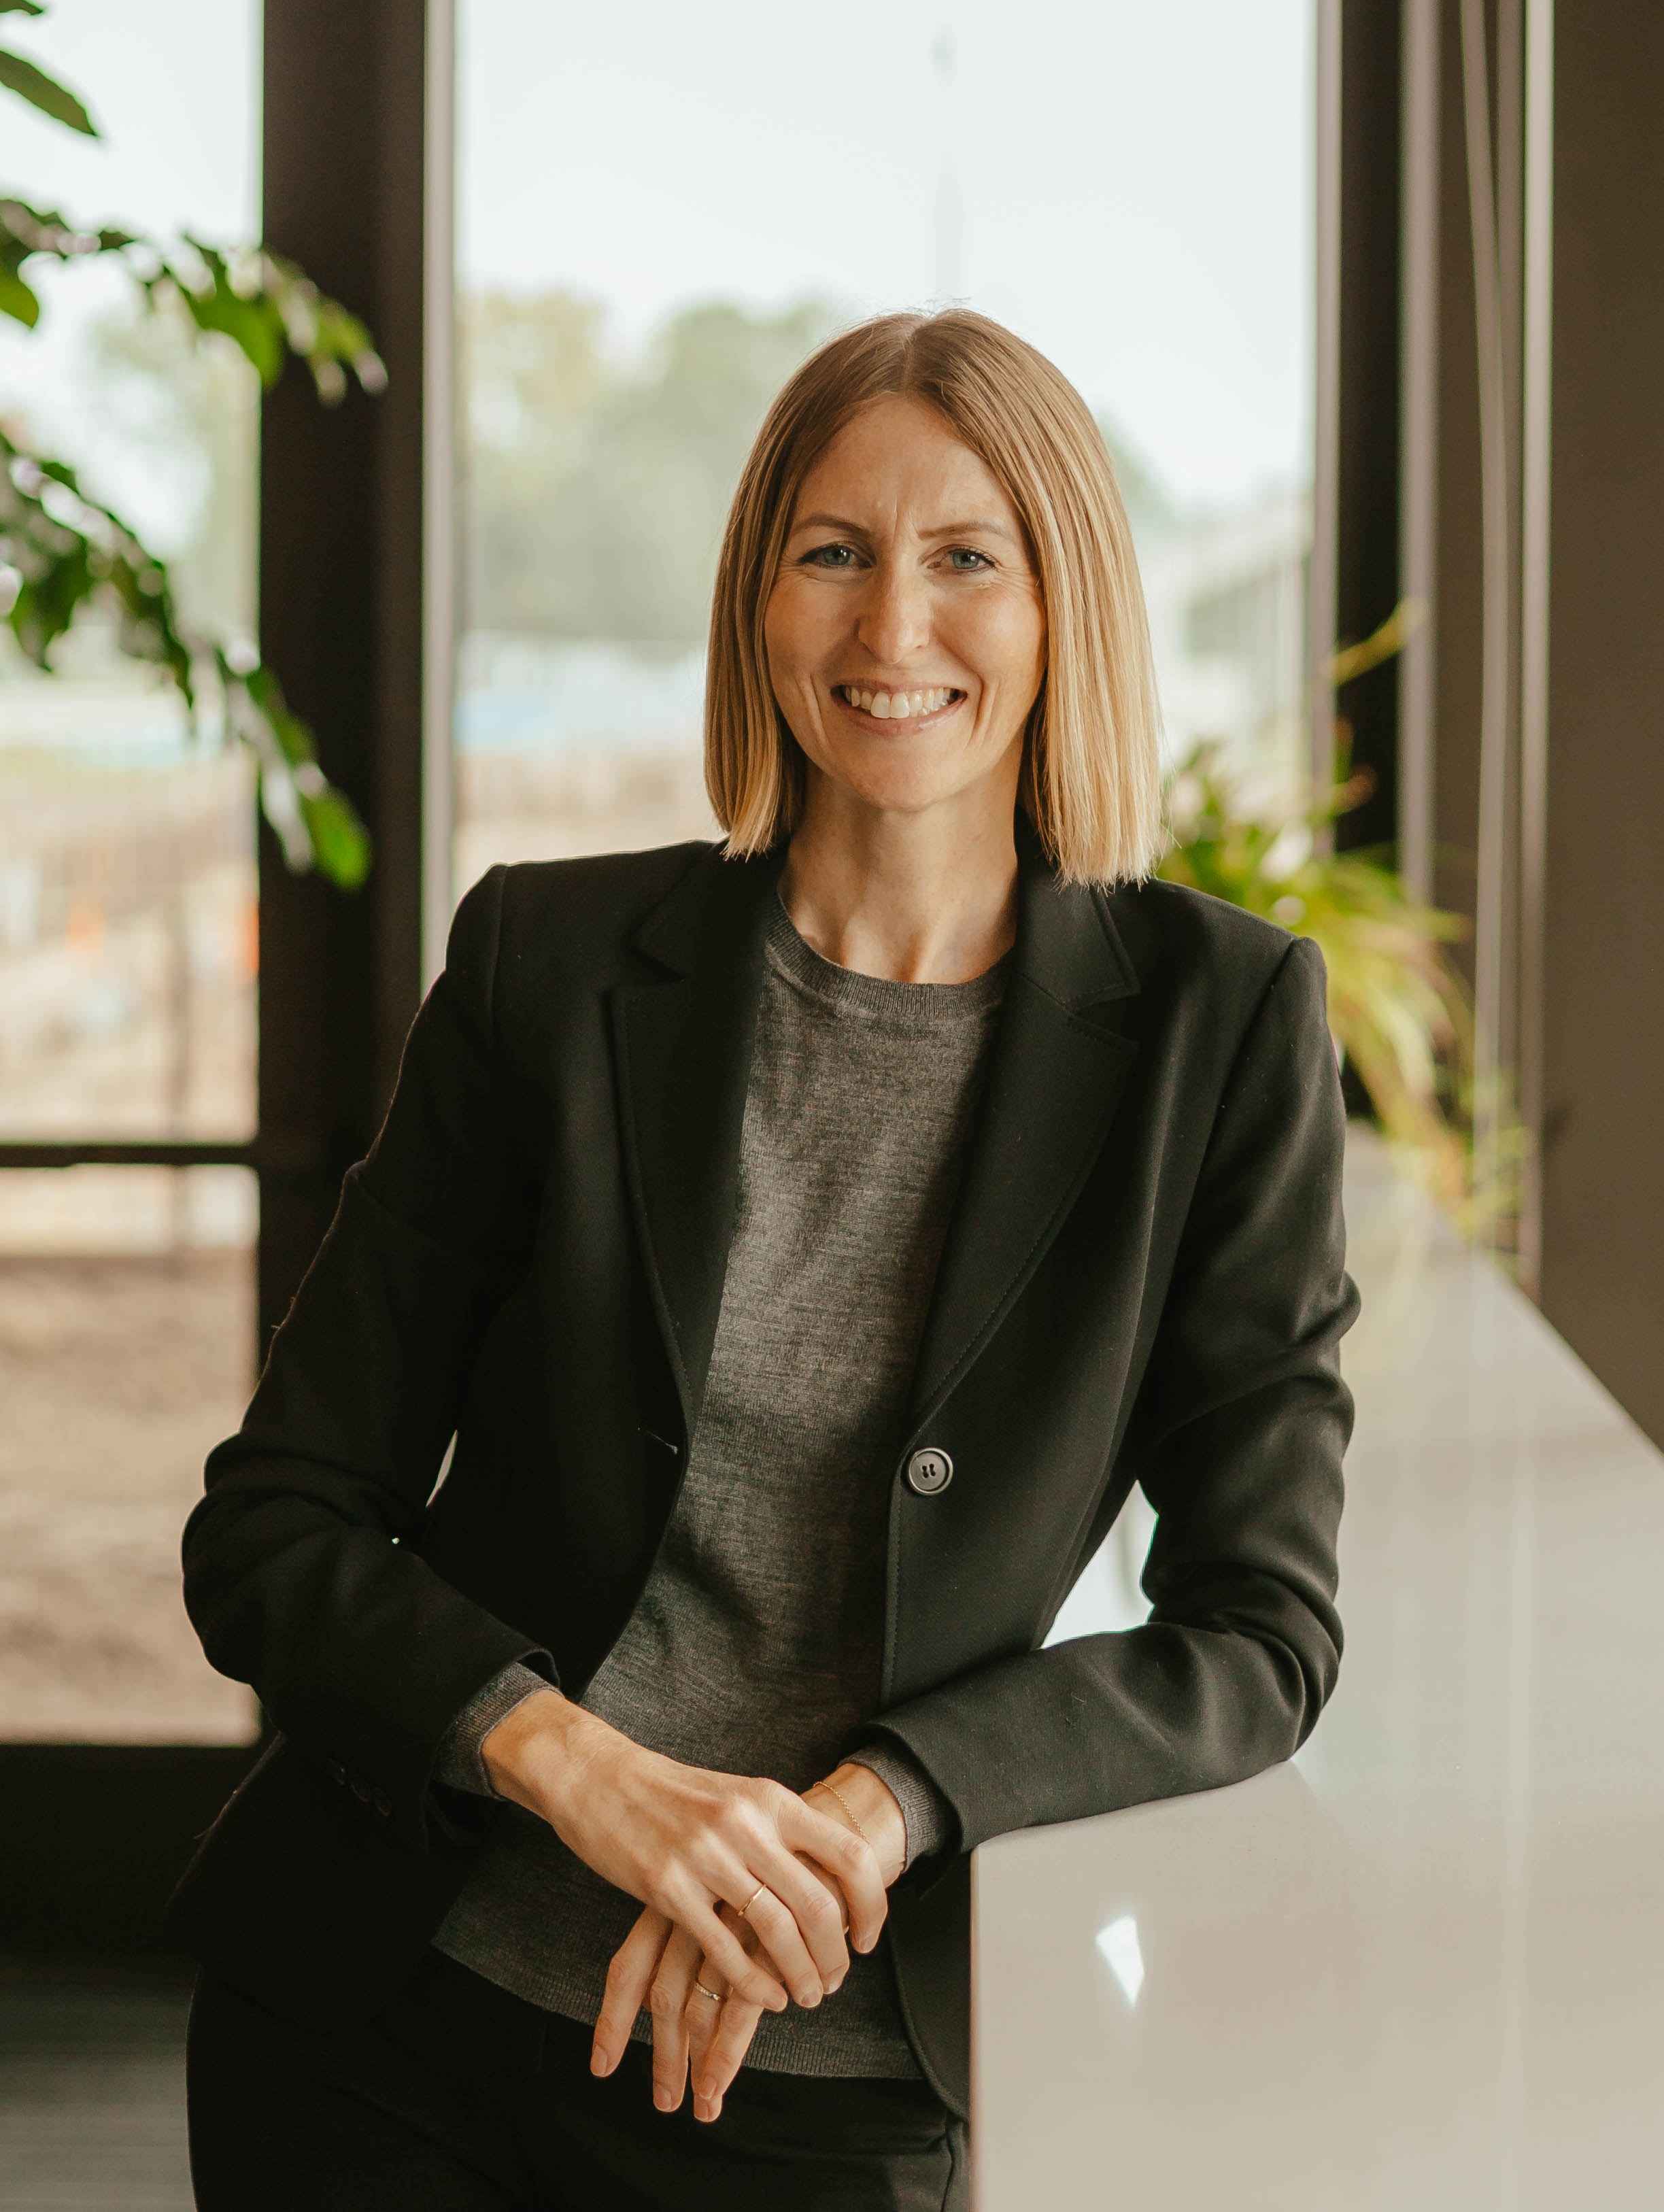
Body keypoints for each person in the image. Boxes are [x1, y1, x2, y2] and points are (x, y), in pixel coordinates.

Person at [177, 309, 1357, 2211]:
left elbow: (1261, 1634)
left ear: (1068, 608)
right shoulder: (545, 970)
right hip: (386, 2034)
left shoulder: (1220, 1029)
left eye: (969, 556)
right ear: (757, 598)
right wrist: (582, 1772)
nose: (893, 628)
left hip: (828, 2077)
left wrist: (875, 1808)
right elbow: (275, 1526)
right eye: (835, 551)